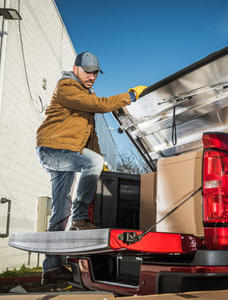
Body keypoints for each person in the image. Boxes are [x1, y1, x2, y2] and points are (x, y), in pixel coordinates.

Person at [36, 51, 146, 285]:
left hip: (64, 150)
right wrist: (129, 96)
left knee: (59, 210)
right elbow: (99, 105)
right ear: (75, 69)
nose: (92, 77)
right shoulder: (66, 87)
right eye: (88, 72)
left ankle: (51, 268)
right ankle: (80, 216)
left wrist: (100, 159)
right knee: (90, 165)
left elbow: (89, 134)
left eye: (95, 73)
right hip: (53, 149)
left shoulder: (84, 93)